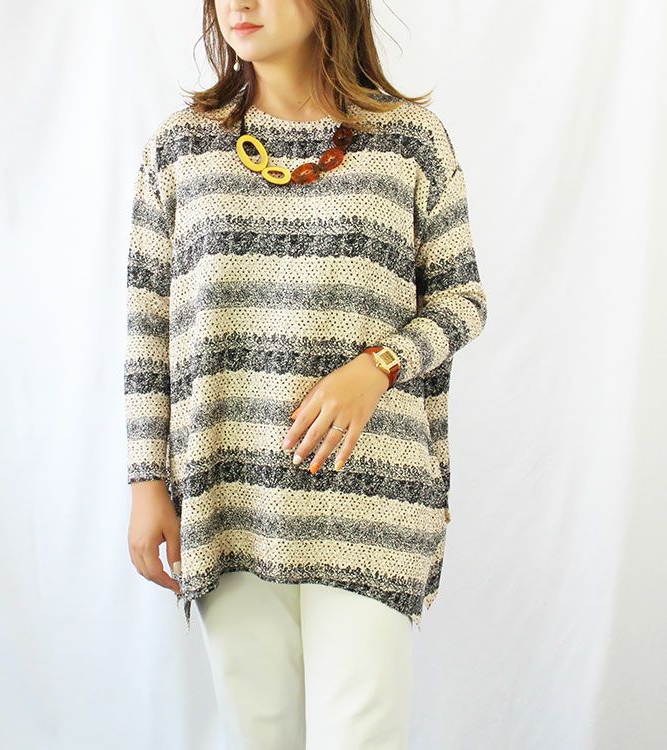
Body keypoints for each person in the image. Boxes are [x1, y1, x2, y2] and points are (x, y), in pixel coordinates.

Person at [125, 1, 488, 747]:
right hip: (228, 494)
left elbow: (462, 299)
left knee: (360, 736)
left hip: (372, 494)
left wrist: (378, 367)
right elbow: (147, 327)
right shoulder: (181, 148)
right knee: (256, 735)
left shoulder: (409, 142)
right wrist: (145, 483)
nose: (240, 5)